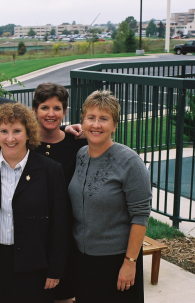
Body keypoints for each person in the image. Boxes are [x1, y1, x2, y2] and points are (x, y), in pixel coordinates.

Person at [0, 102, 69, 303]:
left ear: (29, 133)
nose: (10, 138)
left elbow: (59, 223)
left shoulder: (50, 170)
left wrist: (55, 269)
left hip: (34, 267)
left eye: (17, 131)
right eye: (4, 131)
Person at [68, 90, 151, 303]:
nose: (96, 125)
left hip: (117, 261)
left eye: (104, 119)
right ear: (82, 121)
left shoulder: (130, 162)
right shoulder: (80, 155)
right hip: (84, 260)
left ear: (114, 125)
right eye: (91, 118)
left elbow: (140, 216)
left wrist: (130, 262)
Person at [32, 83, 87, 303]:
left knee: (65, 295)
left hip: (67, 235)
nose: (51, 114)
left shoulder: (77, 145)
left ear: (64, 111)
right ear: (35, 110)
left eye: (57, 108)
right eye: (45, 107)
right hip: (34, 236)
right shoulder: (25, 145)